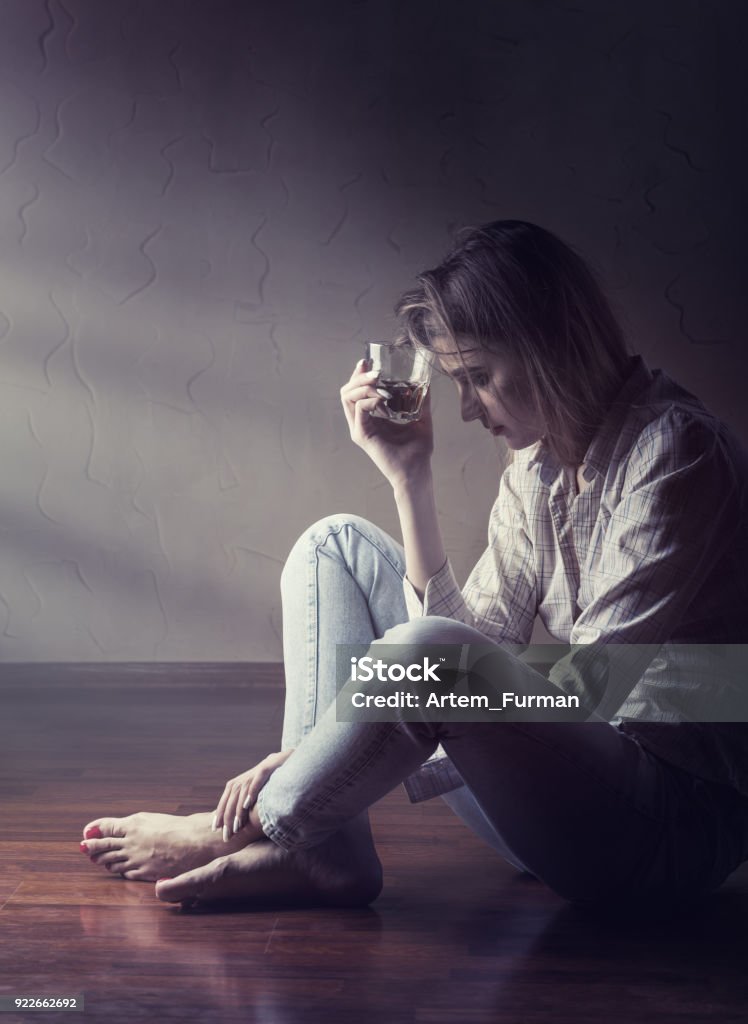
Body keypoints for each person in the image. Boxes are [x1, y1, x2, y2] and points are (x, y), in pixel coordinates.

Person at [80, 220, 748, 909]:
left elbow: (588, 693)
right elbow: (480, 641)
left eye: (479, 377)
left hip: (658, 837)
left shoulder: (675, 452)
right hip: (555, 811)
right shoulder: (538, 464)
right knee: (333, 544)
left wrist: (326, 751)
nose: (464, 409)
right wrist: (410, 477)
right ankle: (323, 854)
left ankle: (265, 829)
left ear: (550, 345)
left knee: (429, 658)